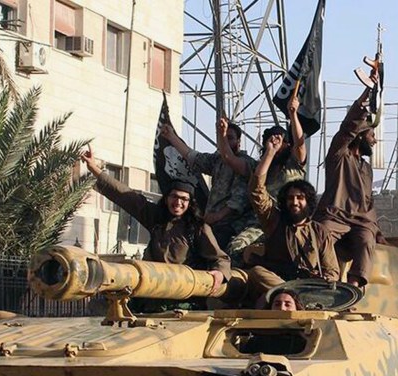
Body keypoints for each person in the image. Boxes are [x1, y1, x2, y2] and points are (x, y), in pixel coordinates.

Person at [81, 147, 230, 309]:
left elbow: (220, 258)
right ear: (166, 199)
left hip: (182, 301)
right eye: (174, 196)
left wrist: (219, 274)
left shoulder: (197, 228)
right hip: (150, 296)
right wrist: (94, 169)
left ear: (189, 203)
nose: (178, 203)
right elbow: (126, 196)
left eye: (183, 199)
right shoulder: (156, 218)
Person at [245, 133, 339, 305]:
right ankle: (293, 295)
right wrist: (270, 153)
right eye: (290, 198)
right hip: (277, 284)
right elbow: (256, 191)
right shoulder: (274, 220)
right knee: (256, 272)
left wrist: (325, 278)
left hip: (310, 287)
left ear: (308, 202)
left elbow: (332, 270)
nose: (294, 202)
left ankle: (298, 297)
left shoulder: (319, 231)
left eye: (300, 198)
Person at [314, 69, 381, 287]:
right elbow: (347, 128)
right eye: (372, 135)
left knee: (366, 241)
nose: (375, 140)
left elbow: (367, 203)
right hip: (334, 216)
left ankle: (353, 288)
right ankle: (326, 280)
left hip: (360, 222)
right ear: (361, 135)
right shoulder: (339, 157)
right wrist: (367, 94)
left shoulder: (366, 168)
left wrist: (376, 230)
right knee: (319, 235)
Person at [222, 96, 308, 259]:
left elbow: (300, 144)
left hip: (289, 219)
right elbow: (229, 158)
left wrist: (293, 114)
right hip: (262, 221)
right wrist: (221, 134)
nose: (275, 144)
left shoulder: (293, 164)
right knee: (235, 248)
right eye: (271, 140)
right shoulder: (260, 167)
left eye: (279, 140)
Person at [160, 119, 256, 255]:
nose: (226, 141)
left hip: (231, 227)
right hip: (212, 224)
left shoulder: (246, 163)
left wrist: (217, 216)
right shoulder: (217, 161)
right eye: (223, 138)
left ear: (238, 142)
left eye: (230, 138)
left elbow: (238, 201)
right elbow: (192, 156)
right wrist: (171, 136)